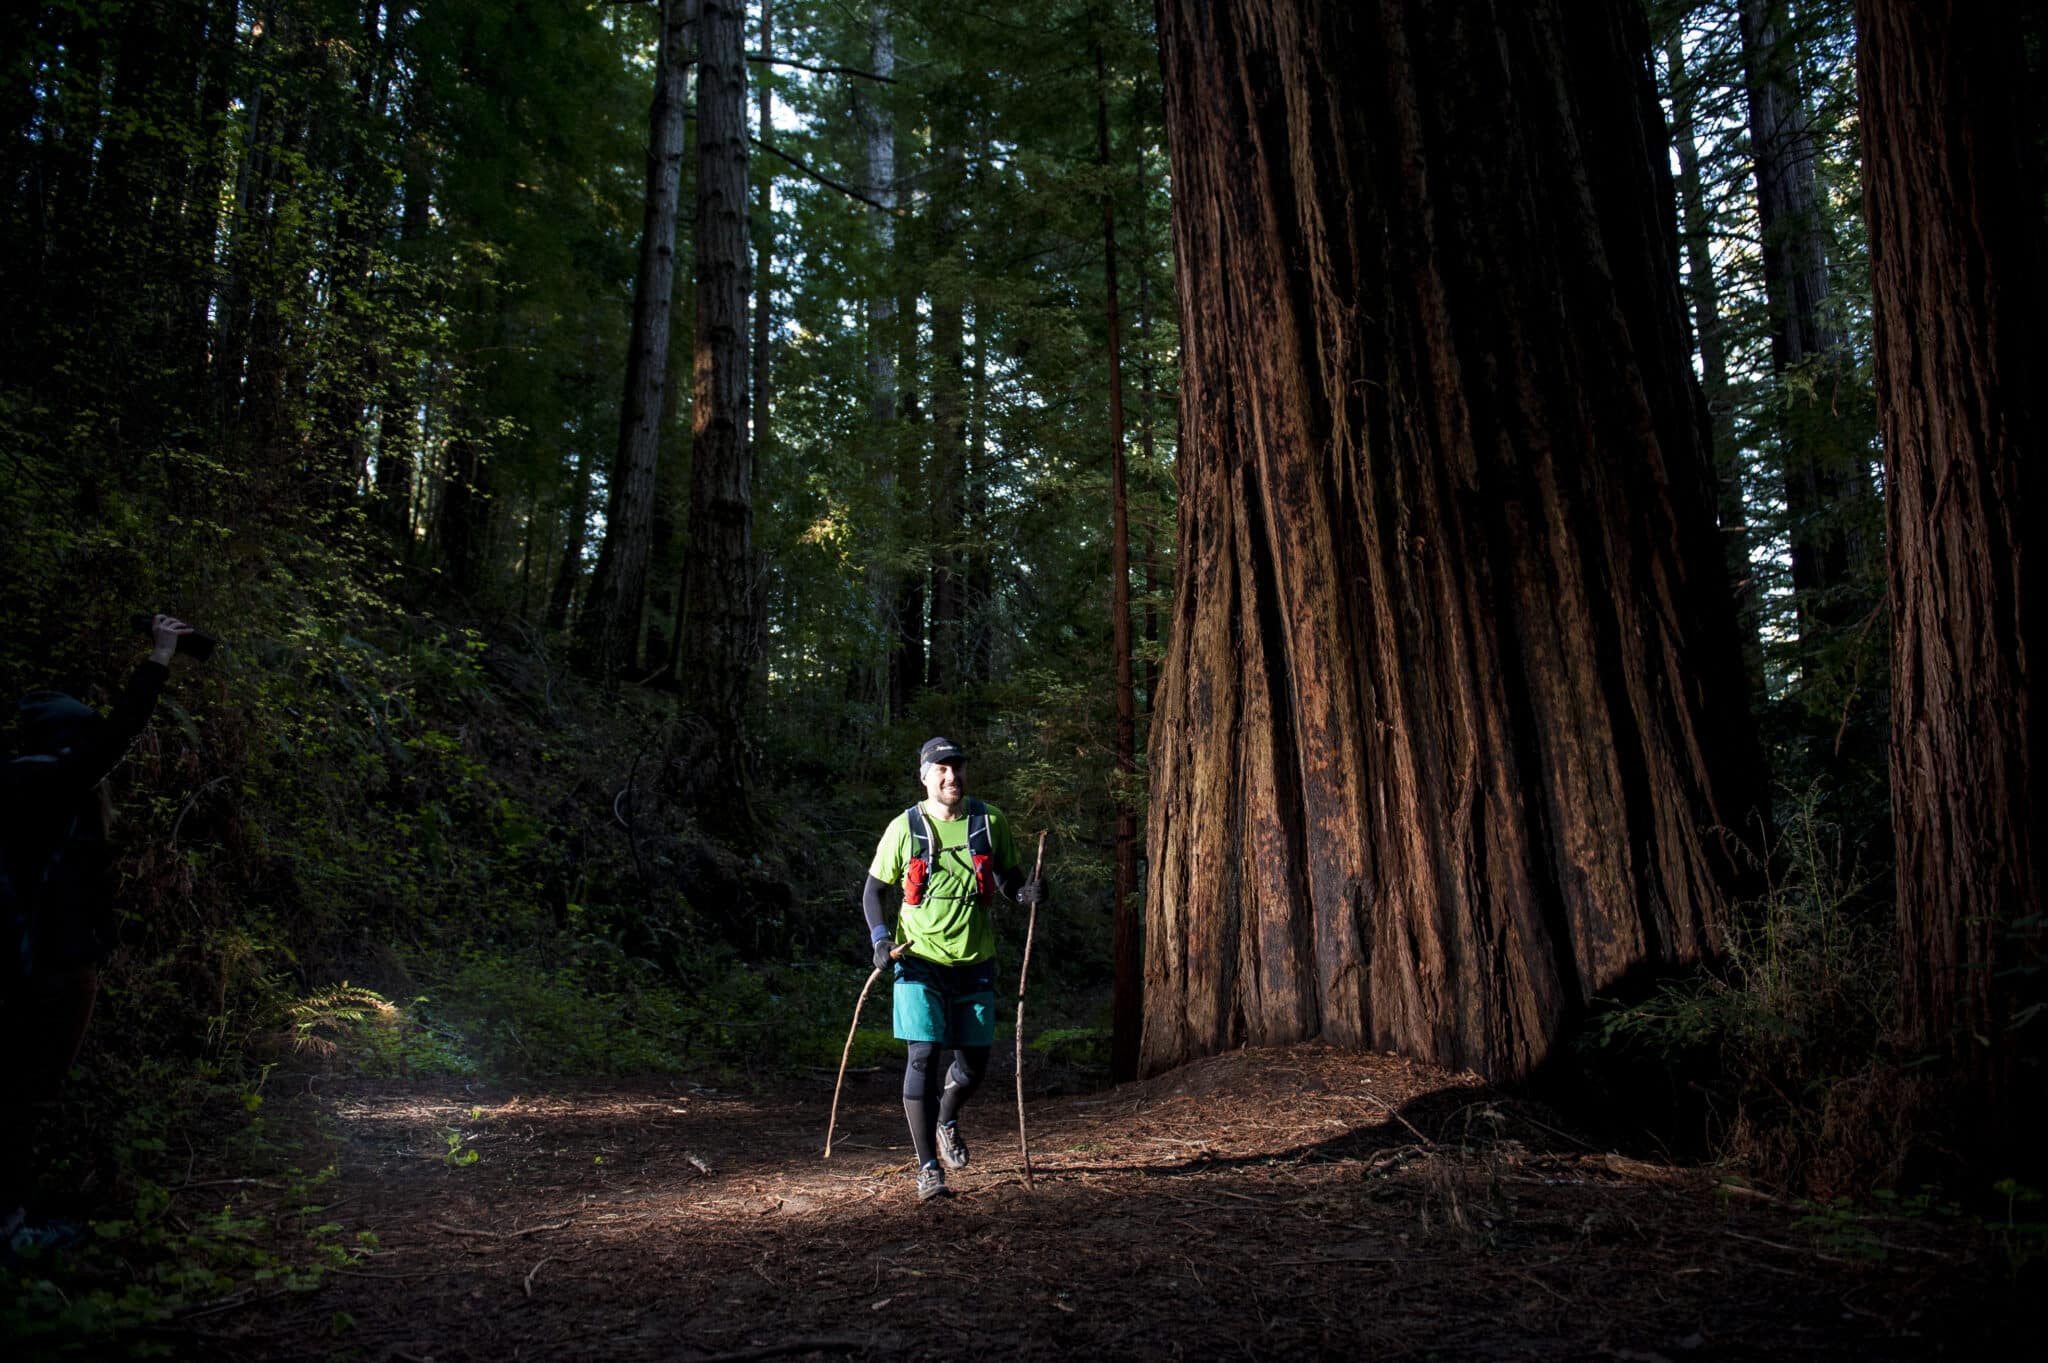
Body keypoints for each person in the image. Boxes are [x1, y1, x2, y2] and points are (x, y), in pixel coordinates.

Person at [1, 614, 195, 1251]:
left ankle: (15, 1215)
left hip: (35, 959)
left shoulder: (20, 785)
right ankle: (10, 1226)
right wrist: (160, 657)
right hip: (47, 965)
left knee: (23, 1091)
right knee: (27, 1092)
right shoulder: (49, 784)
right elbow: (118, 734)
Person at [862, 736, 1043, 1202]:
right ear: (925, 776)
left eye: (957, 767)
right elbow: (872, 891)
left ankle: (947, 1118)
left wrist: (1025, 895)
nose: (951, 776)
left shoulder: (989, 821)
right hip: (918, 960)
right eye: (940, 769)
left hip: (975, 962)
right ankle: (928, 1169)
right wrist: (881, 939)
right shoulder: (904, 828)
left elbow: (1006, 878)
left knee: (974, 1067)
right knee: (923, 1057)